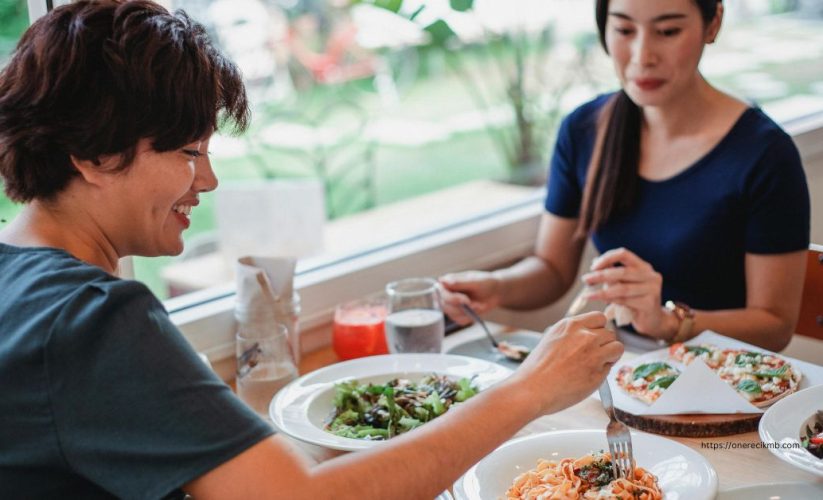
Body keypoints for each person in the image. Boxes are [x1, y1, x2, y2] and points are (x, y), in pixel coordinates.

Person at [0, 1, 623, 498]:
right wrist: (528, 390)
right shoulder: (93, 321)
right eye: (189, 152)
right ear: (93, 156)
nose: (208, 180)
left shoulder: (21, 280)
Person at [440, 0, 810, 353]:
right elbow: (552, 269)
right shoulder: (584, 130)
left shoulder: (764, 153)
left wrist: (669, 322)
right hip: (623, 368)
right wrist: (494, 287)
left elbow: (774, 325)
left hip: (727, 382)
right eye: (623, 29)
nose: (642, 56)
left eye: (667, 31)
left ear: (712, 23)